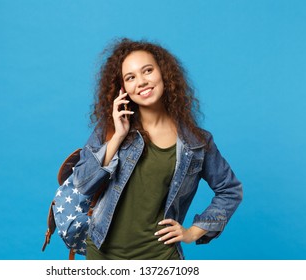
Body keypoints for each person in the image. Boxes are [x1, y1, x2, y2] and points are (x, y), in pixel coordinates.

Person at [72, 38, 243, 260]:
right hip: (103, 255)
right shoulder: (110, 130)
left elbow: (230, 190)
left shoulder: (196, 143)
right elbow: (82, 184)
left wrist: (192, 232)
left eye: (147, 71)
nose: (141, 82)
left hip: (160, 258)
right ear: (123, 89)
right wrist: (118, 137)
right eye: (130, 77)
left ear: (163, 73)